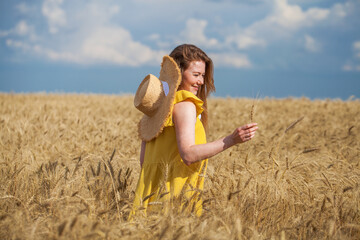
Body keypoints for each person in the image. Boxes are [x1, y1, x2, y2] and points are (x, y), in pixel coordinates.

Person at [130, 44, 258, 218]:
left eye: (203, 75)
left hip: (148, 198)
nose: (201, 81)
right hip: (175, 198)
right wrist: (231, 139)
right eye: (196, 75)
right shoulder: (185, 105)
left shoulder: (154, 113)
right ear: (178, 74)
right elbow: (188, 155)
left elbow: (144, 162)